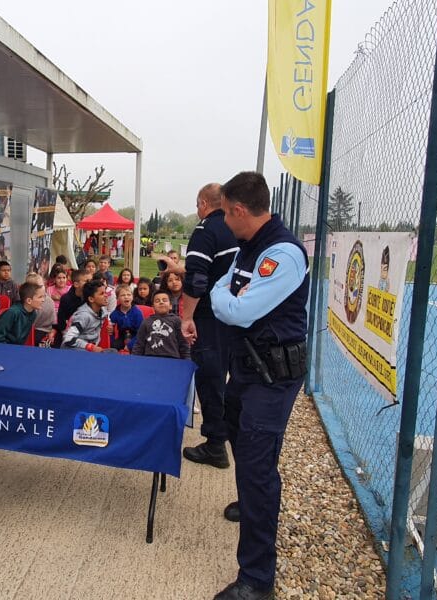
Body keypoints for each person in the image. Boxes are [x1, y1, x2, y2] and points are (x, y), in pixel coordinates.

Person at [210, 172, 309, 600]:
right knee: (241, 438)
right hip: (249, 370)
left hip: (272, 376)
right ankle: (252, 506)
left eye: (225, 216)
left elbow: (238, 310)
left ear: (238, 210)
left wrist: (225, 298)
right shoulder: (251, 245)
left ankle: (257, 579)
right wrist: (225, 296)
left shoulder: (282, 253)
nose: (224, 225)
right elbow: (224, 287)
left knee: (256, 464)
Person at [173, 182, 240, 471]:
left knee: (210, 380)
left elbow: (198, 280)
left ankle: (215, 445)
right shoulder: (236, 229)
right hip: (238, 315)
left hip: (210, 318)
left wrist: (186, 317)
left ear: (203, 203)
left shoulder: (205, 230)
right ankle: (233, 435)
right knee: (232, 378)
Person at [132, 290, 190, 359]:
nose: (161, 302)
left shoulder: (177, 320)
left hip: (172, 359)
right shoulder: (146, 322)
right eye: (157, 301)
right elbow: (139, 345)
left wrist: (187, 360)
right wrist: (134, 360)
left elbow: (183, 344)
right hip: (150, 359)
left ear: (170, 305)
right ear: (153, 306)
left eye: (164, 300)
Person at [61, 279, 112, 352]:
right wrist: (90, 347)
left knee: (113, 351)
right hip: (72, 349)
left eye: (105, 292)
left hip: (89, 348)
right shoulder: (83, 315)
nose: (106, 295)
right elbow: (68, 338)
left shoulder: (103, 312)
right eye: (102, 293)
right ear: (91, 299)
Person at [53, 268, 89, 348]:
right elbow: (61, 321)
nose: (90, 284)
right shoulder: (66, 299)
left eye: (90, 281)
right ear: (76, 284)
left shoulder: (91, 298)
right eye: (86, 281)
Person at [109, 284, 144, 351]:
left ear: (132, 297)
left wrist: (129, 345)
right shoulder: (114, 314)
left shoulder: (137, 313)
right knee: (114, 346)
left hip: (135, 336)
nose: (126, 297)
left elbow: (141, 332)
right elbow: (111, 331)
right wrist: (111, 342)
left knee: (137, 348)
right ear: (117, 298)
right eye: (123, 295)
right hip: (122, 336)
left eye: (129, 295)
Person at [26, 273, 56, 346]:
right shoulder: (49, 299)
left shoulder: (36, 301)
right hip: (47, 330)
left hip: (37, 331)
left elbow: (31, 322)